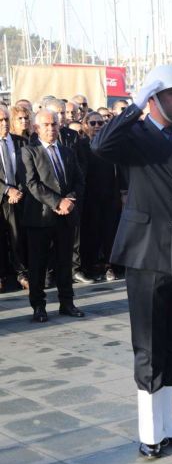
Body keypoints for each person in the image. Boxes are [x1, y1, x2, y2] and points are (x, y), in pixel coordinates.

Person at [91, 65, 172, 459]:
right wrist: (134, 104)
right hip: (147, 254)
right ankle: (150, 428)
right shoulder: (136, 136)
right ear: (156, 97)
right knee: (148, 344)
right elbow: (100, 147)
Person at [22, 110, 85, 322]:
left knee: (64, 262)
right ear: (37, 128)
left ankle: (67, 302)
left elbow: (79, 179)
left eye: (54, 124)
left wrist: (70, 199)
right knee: (38, 265)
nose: (51, 128)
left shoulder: (67, 152)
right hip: (40, 217)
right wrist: (57, 202)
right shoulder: (29, 151)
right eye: (46, 125)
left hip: (65, 216)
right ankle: (38, 306)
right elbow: (32, 184)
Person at [80, 112, 122, 282]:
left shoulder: (110, 144)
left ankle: (110, 266)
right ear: (85, 125)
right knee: (92, 233)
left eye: (100, 122)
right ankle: (92, 266)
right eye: (93, 123)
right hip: (90, 196)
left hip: (110, 195)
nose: (97, 126)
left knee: (110, 233)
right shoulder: (81, 145)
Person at [0, 105, 28, 292]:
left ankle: (22, 273)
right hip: (2, 196)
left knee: (18, 237)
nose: (4, 124)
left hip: (19, 197)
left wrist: (18, 191)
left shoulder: (20, 142)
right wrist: (5, 190)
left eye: (6, 120)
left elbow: (29, 171)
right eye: (0, 121)